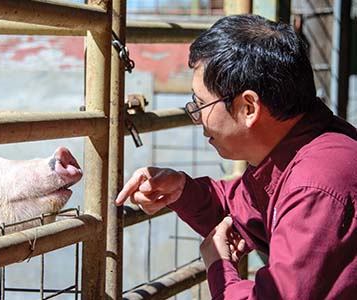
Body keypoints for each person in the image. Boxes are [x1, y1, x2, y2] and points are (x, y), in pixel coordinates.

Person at [115, 14, 357, 299]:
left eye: (202, 104)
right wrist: (182, 189)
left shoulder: (316, 187)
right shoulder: (299, 153)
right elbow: (241, 210)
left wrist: (220, 268)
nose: (197, 118)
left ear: (249, 107)